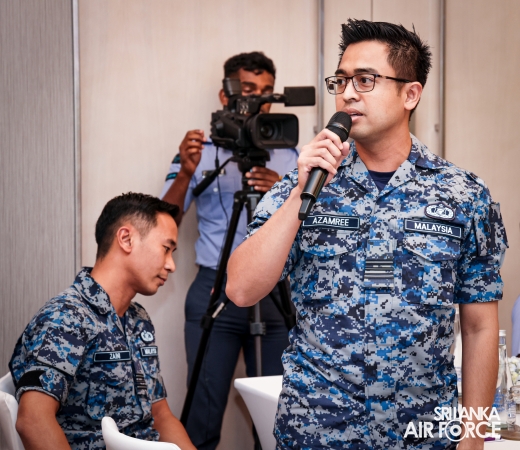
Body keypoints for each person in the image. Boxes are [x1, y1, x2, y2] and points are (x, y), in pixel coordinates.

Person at [226, 19, 508, 450]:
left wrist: (473, 439)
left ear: (410, 94)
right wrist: (301, 191)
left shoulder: (463, 194)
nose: (347, 94)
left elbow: (479, 327)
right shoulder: (305, 183)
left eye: (365, 80)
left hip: (422, 436)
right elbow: (242, 289)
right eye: (341, 81)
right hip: (317, 432)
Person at [160, 51, 298, 449]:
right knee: (203, 414)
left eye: (267, 92)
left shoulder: (290, 151)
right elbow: (163, 221)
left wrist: (283, 191)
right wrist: (186, 173)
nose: (259, 100)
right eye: (249, 90)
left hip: (275, 293)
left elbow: (313, 229)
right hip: (214, 288)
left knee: (276, 417)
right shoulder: (200, 150)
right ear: (226, 94)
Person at [10, 193, 196, 450]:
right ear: (126, 239)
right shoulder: (67, 316)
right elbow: (33, 420)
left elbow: (161, 415)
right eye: (166, 249)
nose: (171, 265)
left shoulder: (138, 320)